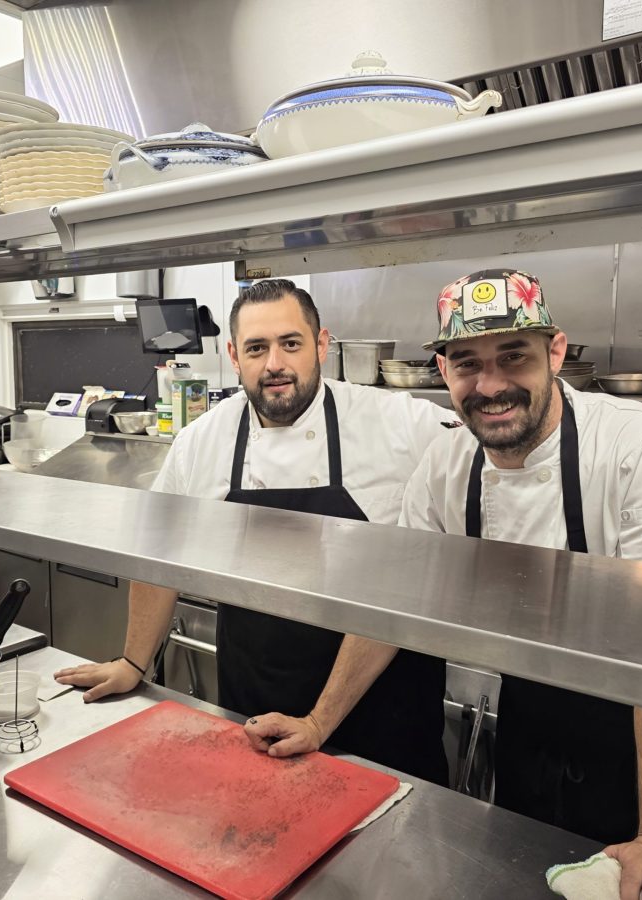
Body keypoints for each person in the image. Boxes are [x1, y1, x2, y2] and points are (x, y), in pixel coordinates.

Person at [398, 268, 642, 899]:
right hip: (532, 719)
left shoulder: (637, 445)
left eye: (514, 356)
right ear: (443, 370)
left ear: (557, 353)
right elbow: (393, 595)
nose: (491, 386)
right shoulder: (446, 461)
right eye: (467, 364)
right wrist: (319, 722)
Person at [55, 278, 454, 784]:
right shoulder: (204, 439)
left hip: (385, 718)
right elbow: (158, 552)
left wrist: (319, 720)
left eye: (291, 344)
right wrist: (134, 660)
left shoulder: (403, 425)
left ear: (322, 345)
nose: (275, 365)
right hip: (256, 709)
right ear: (233, 355)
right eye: (257, 348)